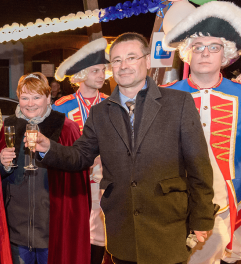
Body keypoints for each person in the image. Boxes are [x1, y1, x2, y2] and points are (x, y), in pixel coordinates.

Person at [31, 32, 215, 264]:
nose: (123, 65)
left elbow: (198, 166)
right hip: (122, 230)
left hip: (167, 228)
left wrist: (202, 219)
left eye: (131, 58)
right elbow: (80, 156)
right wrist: (48, 147)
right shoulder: (100, 112)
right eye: (117, 60)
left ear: (147, 61)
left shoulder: (178, 103)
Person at [162, 2, 241, 263]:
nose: (205, 53)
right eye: (198, 47)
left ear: (225, 53)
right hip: (176, 205)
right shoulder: (165, 95)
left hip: (229, 205)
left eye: (214, 47)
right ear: (187, 53)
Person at [0, 72, 90, 264]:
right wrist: (1, 164)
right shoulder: (8, 127)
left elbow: (78, 169)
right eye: (25, 97)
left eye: (36, 97)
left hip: (53, 230)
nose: (30, 103)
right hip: (16, 233)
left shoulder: (66, 128)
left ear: (48, 98)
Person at [52, 37, 109, 264]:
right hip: (73, 179)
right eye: (95, 70)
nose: (102, 75)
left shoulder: (111, 102)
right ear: (82, 75)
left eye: (103, 70)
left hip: (105, 179)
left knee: (99, 233)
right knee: (74, 228)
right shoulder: (62, 106)